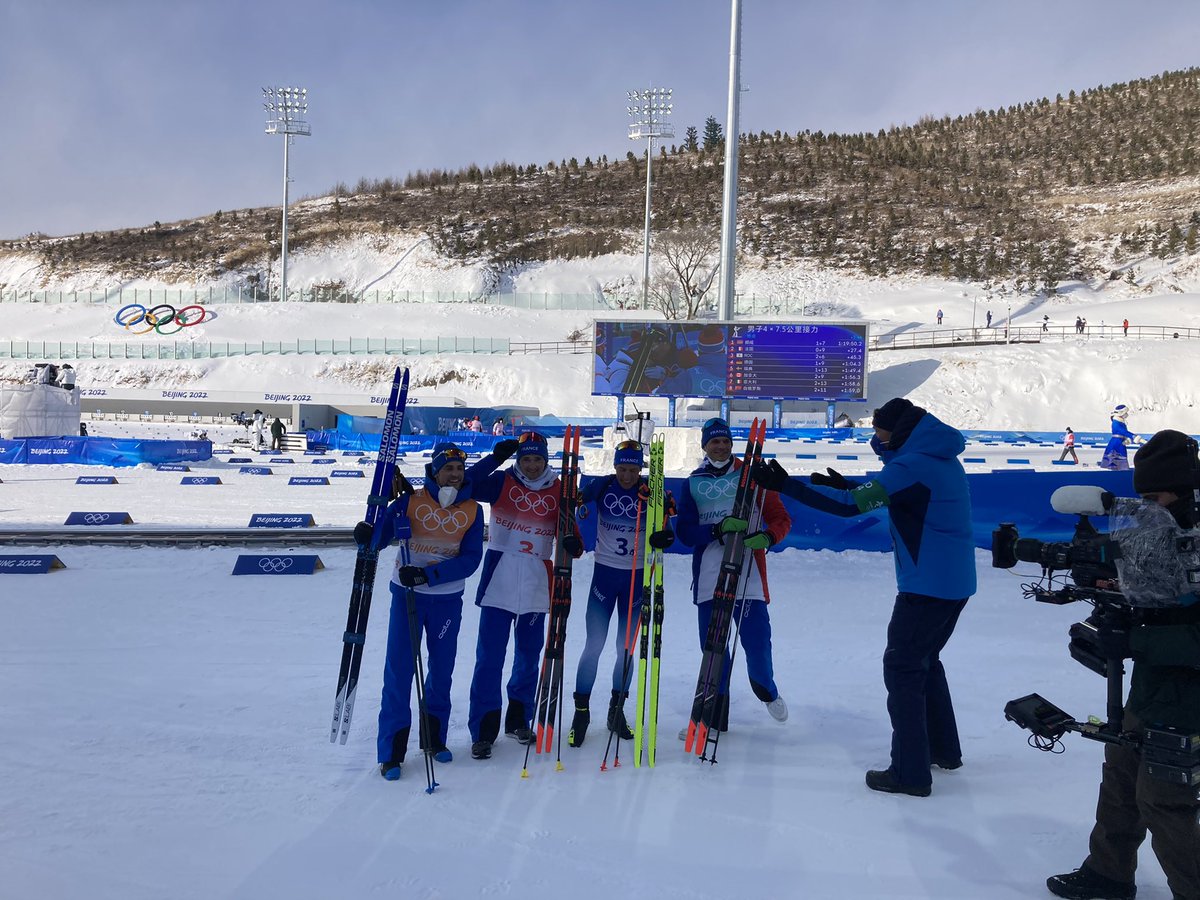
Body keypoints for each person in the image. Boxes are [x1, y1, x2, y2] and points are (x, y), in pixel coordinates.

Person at [751, 397, 976, 797]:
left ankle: (909, 773)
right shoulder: (937, 456)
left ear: (898, 430)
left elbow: (850, 509)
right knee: (925, 662)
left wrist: (786, 486)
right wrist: (848, 486)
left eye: (879, 431)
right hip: (952, 582)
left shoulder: (912, 464)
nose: (876, 438)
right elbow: (900, 494)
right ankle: (942, 749)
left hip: (927, 585)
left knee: (903, 668)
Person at [1046, 429, 1200, 900]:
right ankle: (1108, 874)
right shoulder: (1167, 532)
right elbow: (1160, 588)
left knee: (1164, 798)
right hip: (1155, 683)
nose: (1150, 509)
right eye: (1144, 499)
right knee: (1121, 775)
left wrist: (1137, 640)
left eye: (1156, 498)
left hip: (1190, 696)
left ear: (1185, 490)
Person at [358, 443, 485, 779]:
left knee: (441, 671)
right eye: (448, 469)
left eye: (459, 469)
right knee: (399, 671)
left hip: (447, 600)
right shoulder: (409, 501)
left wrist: (429, 575)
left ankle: (434, 739)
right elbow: (379, 539)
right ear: (435, 471)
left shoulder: (473, 509)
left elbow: (471, 559)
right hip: (407, 597)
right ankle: (391, 753)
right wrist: (367, 532)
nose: (454, 475)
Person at [466, 432, 582, 760]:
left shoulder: (560, 489)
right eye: (526, 459)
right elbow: (467, 484)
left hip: (536, 582)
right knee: (489, 658)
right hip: (499, 581)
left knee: (529, 657)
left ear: (546, 460)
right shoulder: (502, 481)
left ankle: (518, 719)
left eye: (537, 459)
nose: (532, 465)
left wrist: (573, 542)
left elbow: (573, 536)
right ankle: (483, 730)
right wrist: (495, 458)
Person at [674, 418, 792, 739]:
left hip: (748, 575)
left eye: (725, 441)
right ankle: (712, 718)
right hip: (710, 576)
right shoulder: (693, 482)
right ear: (705, 446)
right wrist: (716, 529)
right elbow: (685, 532)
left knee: (757, 646)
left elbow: (780, 518)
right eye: (715, 442)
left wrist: (767, 537)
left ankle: (767, 691)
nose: (721, 446)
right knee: (713, 651)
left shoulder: (752, 475)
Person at [567, 440, 674, 747]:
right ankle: (581, 713)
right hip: (604, 576)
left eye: (633, 470)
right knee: (594, 645)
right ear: (614, 467)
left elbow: (668, 526)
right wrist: (574, 523)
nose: (627, 476)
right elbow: (570, 504)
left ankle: (616, 710)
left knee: (625, 649)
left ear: (640, 469)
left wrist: (664, 534)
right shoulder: (602, 486)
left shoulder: (652, 491)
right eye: (622, 469)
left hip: (636, 579)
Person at [1099, 405, 1139, 471]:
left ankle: (1120, 467)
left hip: (1120, 441)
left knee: (1121, 454)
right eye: (1125, 412)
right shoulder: (1116, 422)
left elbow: (1123, 432)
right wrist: (1133, 436)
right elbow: (1122, 431)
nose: (1127, 414)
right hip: (1116, 442)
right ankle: (1113, 467)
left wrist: (1127, 438)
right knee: (1115, 454)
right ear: (1121, 413)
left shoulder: (1121, 422)